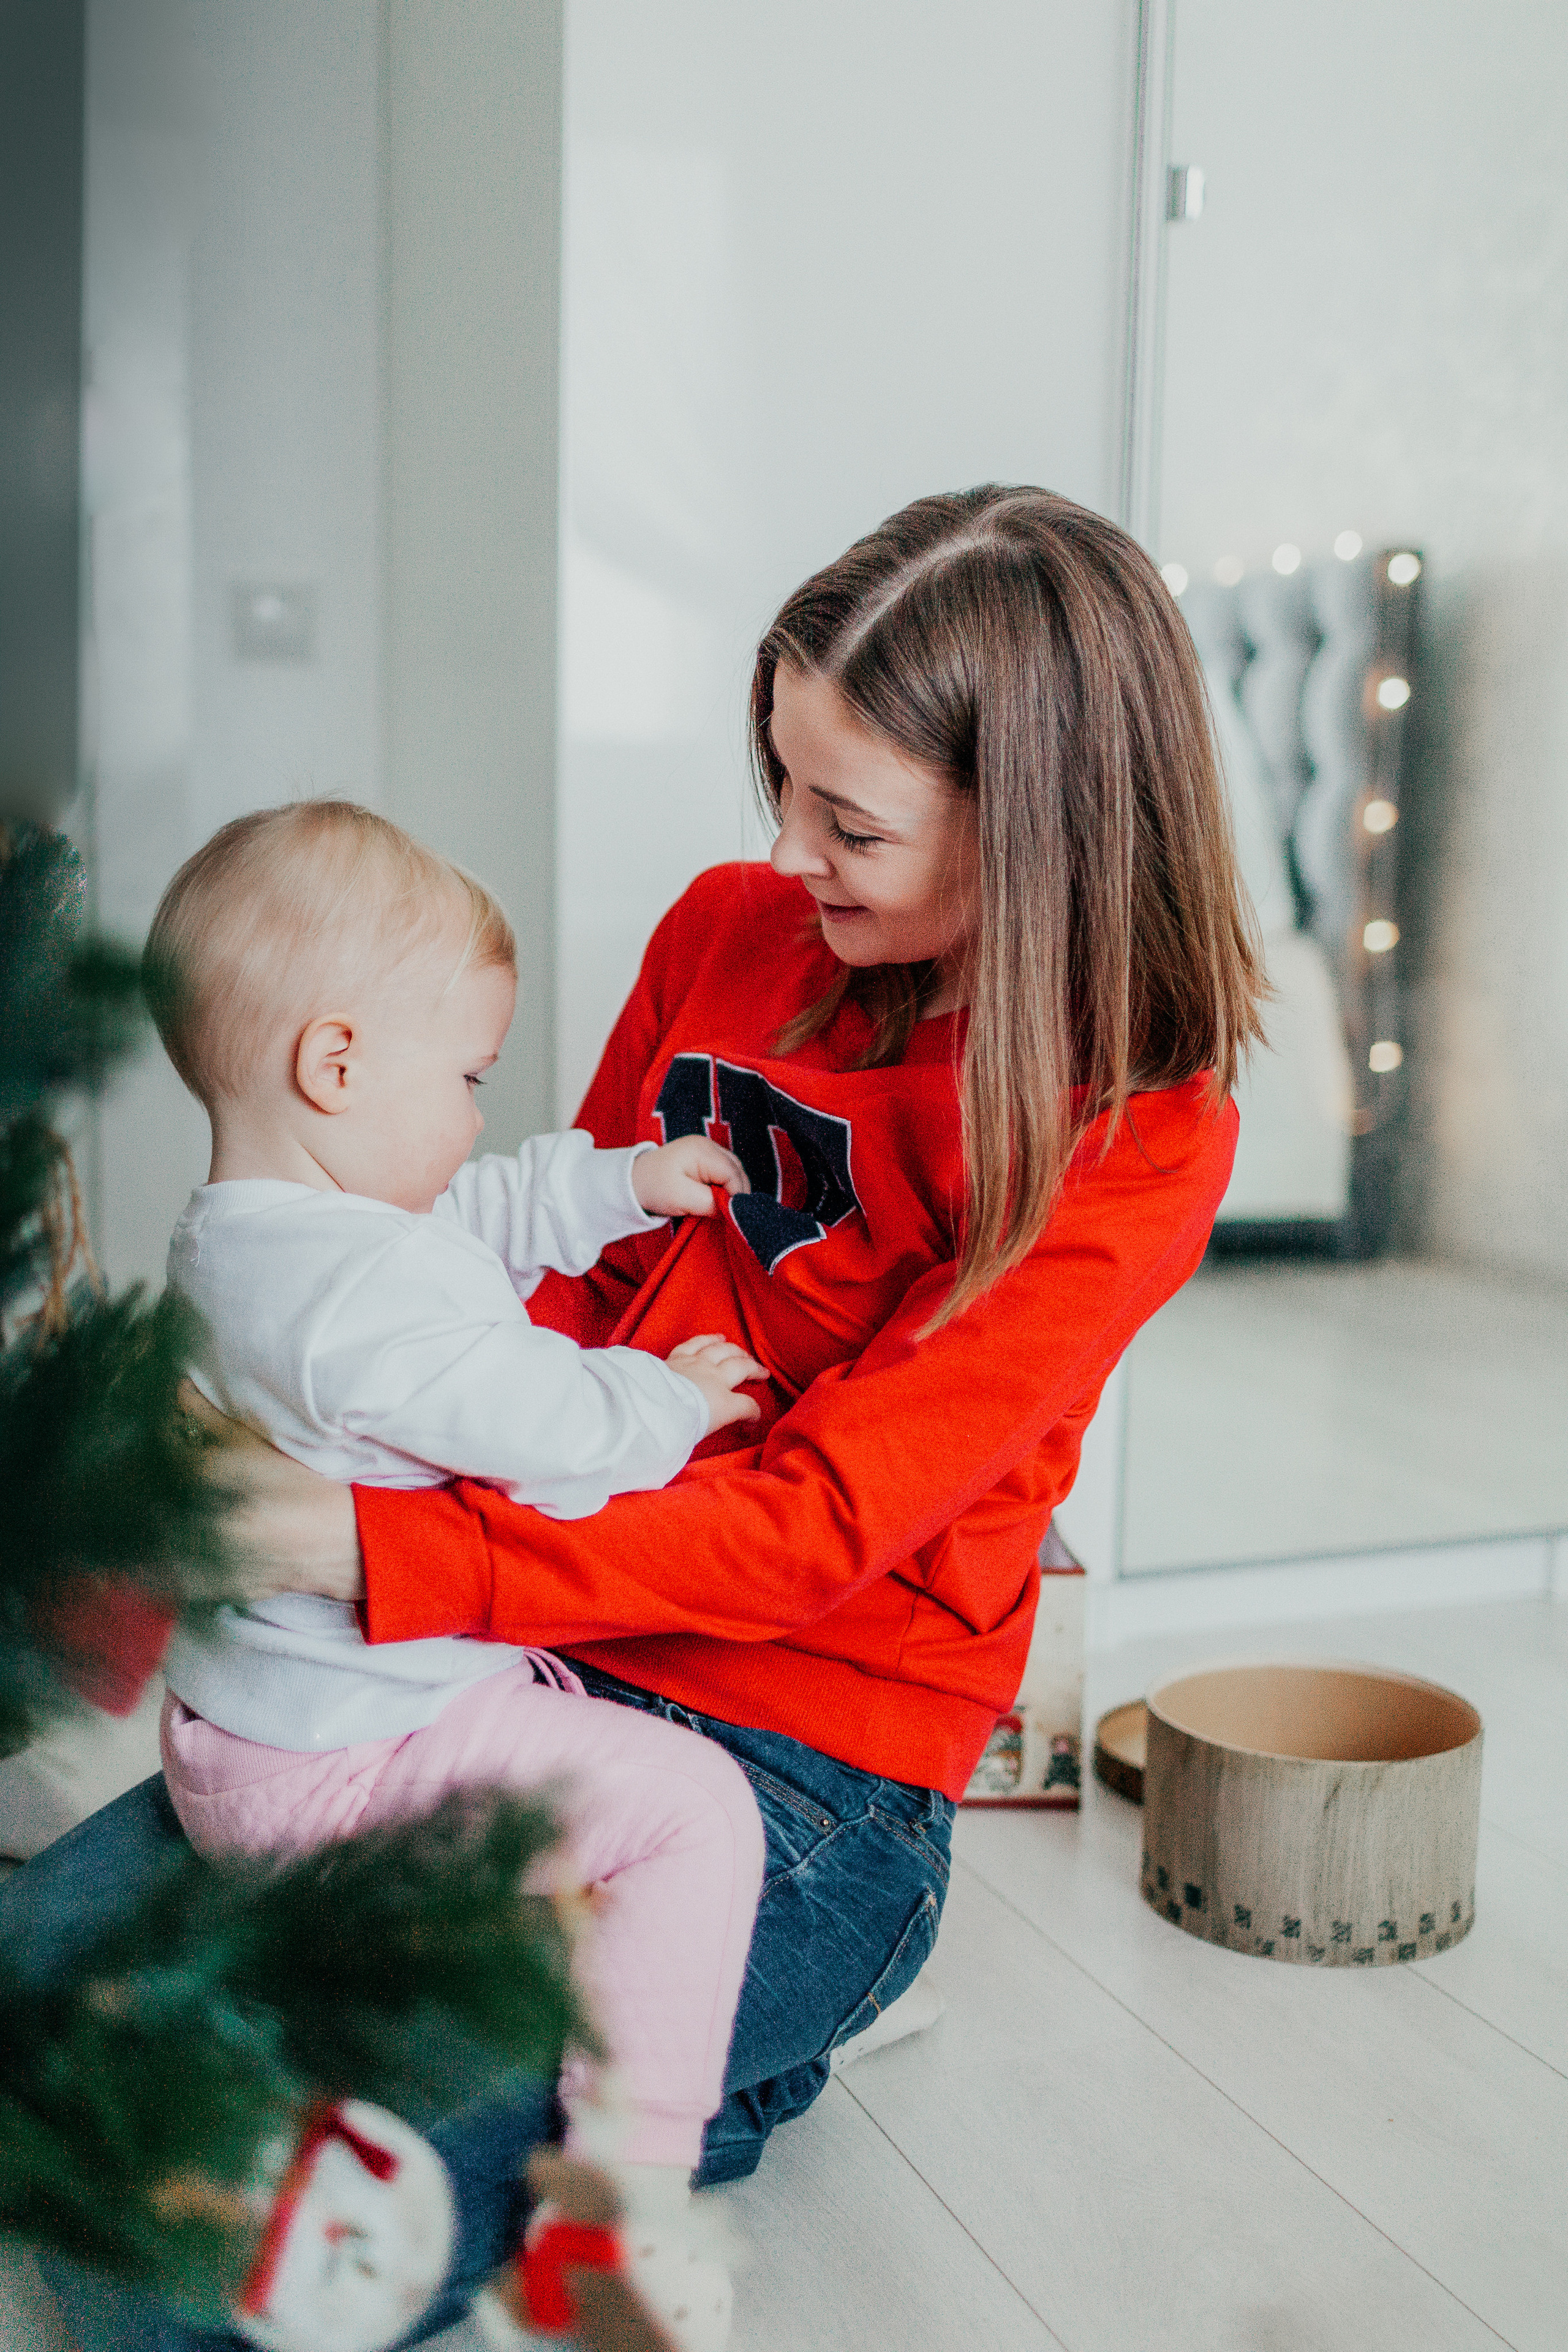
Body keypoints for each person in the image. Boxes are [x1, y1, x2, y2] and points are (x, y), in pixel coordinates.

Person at [9, 486, 1265, 2350]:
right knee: (45, 1998)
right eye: (783, 784)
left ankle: (757, 2020)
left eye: (850, 823)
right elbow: (552, 1286)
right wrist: (357, 1483)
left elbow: (815, 1528)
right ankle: (722, 2050)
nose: (787, 851)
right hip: (504, 1666)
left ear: (1040, 834)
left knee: (188, 2255)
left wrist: (366, 1548)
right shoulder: (729, 932)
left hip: (793, 1763)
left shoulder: (1137, 1126)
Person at [143, 801, 771, 2350]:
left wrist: (617, 1185)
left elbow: (458, 1226)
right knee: (695, 1814)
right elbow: (539, 1427)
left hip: (250, 1733)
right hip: (349, 1762)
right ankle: (614, 2224)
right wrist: (664, 1401)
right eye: (469, 1078)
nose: (479, 1118)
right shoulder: (357, 1305)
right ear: (338, 1067)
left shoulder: (258, 1236)